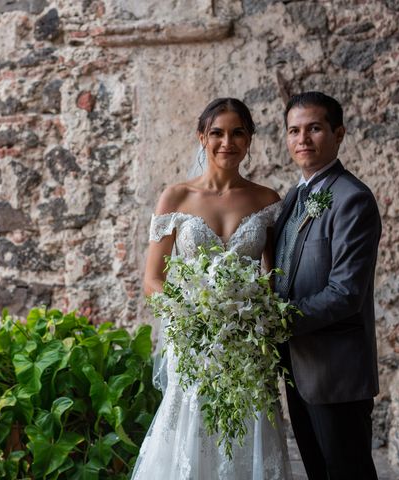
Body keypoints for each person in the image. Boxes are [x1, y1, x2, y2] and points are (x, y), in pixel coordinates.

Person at [133, 98, 292, 479]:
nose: (227, 142)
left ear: (250, 139)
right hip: (192, 342)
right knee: (192, 434)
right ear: (202, 137)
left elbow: (274, 278)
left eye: (238, 132)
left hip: (246, 344)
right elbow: (152, 280)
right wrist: (190, 311)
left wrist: (257, 317)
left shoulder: (267, 201)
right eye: (217, 133)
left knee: (245, 435)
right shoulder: (176, 198)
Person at [274, 91, 381, 480]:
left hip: (337, 373)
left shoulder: (352, 199)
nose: (303, 139)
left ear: (338, 134)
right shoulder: (293, 197)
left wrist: (277, 322)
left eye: (314, 128)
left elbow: (346, 293)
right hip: (299, 368)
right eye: (294, 130)